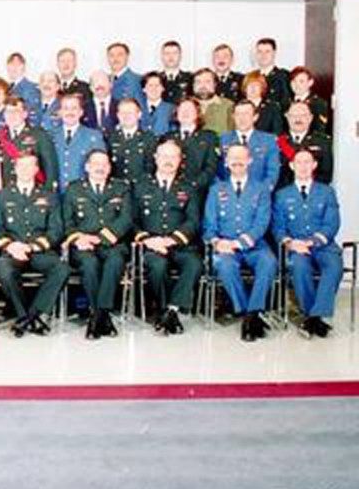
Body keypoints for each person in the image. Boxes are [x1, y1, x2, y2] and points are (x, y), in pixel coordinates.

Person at [203, 144, 277, 342]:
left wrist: (239, 243)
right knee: (224, 265)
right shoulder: (216, 190)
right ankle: (250, 314)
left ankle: (251, 313)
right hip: (224, 246)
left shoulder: (261, 189)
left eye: (241, 157)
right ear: (226, 163)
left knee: (269, 262)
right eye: (233, 158)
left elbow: (262, 222)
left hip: (254, 245)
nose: (237, 161)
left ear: (249, 161)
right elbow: (209, 225)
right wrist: (217, 242)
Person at [0, 152, 69, 337]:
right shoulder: (2, 196)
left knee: (62, 269)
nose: (25, 170)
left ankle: (32, 316)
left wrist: (33, 247)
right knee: (4, 270)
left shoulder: (49, 196)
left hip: (40, 251)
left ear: (36, 169)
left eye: (30, 165)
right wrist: (11, 246)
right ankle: (25, 316)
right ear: (15, 169)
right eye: (21, 165)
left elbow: (56, 231)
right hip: (13, 251)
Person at [132, 140, 203, 335]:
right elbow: (132, 220)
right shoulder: (140, 186)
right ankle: (165, 310)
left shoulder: (188, 187)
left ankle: (171, 310)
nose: (168, 160)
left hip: (180, 245)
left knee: (194, 264)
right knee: (157, 266)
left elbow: (193, 220)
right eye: (164, 156)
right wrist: (148, 240)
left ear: (180, 160)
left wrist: (171, 240)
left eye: (173, 156)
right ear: (156, 158)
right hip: (151, 245)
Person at [63, 149, 133, 340]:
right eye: (95, 163)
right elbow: (67, 222)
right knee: (89, 264)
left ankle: (98, 315)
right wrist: (78, 238)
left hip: (112, 243)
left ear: (110, 168)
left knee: (115, 261)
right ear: (87, 167)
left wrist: (101, 238)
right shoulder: (74, 189)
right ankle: (103, 316)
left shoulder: (121, 188)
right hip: (82, 244)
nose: (100, 168)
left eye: (104, 164)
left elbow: (126, 219)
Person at [272, 149, 343, 339]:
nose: (303, 167)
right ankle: (315, 318)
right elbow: (278, 227)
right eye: (299, 162)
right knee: (298, 266)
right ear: (292, 166)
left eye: (307, 162)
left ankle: (313, 317)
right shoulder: (282, 195)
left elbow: (332, 223)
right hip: (296, 247)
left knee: (334, 267)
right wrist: (290, 243)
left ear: (314, 165)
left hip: (324, 246)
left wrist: (313, 241)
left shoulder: (327, 192)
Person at [0, 97, 58, 191]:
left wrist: (48, 192)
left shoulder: (39, 135)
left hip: (34, 192)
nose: (12, 115)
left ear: (25, 114)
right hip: (6, 192)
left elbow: (50, 167)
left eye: (16, 111)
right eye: (8, 111)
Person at [219, 100, 280, 192]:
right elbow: (217, 171)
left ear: (255, 117)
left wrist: (261, 191)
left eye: (246, 114)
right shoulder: (223, 140)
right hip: (228, 195)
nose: (242, 118)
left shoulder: (268, 140)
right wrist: (222, 190)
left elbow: (272, 171)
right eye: (238, 114)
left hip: (260, 194)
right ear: (233, 117)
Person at [164, 97, 219, 200]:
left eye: (189, 109)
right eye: (182, 109)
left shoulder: (209, 138)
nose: (185, 112)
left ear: (197, 113)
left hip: (198, 192)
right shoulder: (167, 137)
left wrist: (194, 185)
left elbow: (211, 168)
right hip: (171, 192)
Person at [51, 93, 106, 192]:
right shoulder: (50, 135)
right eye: (66, 108)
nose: (70, 112)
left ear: (81, 112)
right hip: (56, 192)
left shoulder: (93, 136)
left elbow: (100, 166)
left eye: (74, 108)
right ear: (60, 112)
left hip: (83, 193)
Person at [277, 101, 333, 188]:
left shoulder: (323, 142)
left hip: (313, 191)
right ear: (287, 117)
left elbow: (326, 174)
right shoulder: (277, 142)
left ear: (310, 118)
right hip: (282, 191)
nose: (298, 119)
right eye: (294, 115)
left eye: (303, 115)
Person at [106, 98, 157, 184]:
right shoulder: (110, 138)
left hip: (142, 187)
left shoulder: (149, 139)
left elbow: (152, 167)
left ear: (139, 114)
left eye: (130, 112)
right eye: (123, 113)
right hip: (117, 187)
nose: (126, 116)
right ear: (118, 115)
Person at [193, 68, 235, 136]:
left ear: (215, 84)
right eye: (198, 82)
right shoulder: (184, 106)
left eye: (207, 82)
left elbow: (234, 134)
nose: (203, 86)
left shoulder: (228, 106)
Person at [241, 70, 284, 135]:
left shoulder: (272, 108)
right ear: (245, 87)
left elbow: (277, 133)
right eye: (249, 84)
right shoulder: (237, 107)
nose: (253, 88)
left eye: (256, 85)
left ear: (262, 88)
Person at [289, 66, 330, 134]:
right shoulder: (286, 102)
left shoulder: (318, 104)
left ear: (310, 82)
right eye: (294, 81)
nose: (297, 85)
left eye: (301, 81)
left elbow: (319, 130)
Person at [254, 37, 292, 111]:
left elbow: (286, 103)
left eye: (267, 51)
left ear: (274, 53)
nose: (263, 55)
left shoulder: (283, 76)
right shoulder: (251, 77)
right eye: (259, 52)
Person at [106, 42, 146, 109]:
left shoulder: (138, 80)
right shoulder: (104, 80)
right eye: (111, 55)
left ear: (127, 57)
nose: (115, 59)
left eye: (120, 55)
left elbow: (142, 108)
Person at [158, 40, 192, 105]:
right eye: (167, 53)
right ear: (162, 57)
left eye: (175, 53)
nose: (171, 57)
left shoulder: (190, 78)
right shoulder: (156, 78)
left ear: (180, 56)